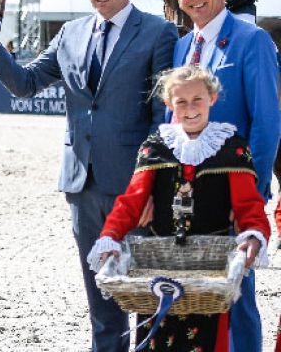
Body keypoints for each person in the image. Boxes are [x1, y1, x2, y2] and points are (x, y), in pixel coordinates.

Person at [0, 0, 177, 351]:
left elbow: (162, 117)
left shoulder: (158, 32)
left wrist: (152, 185)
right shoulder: (70, 33)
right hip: (81, 186)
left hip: (134, 189)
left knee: (142, 296)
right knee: (101, 298)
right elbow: (26, 83)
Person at [87, 66, 270, 352]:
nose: (190, 108)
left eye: (197, 99)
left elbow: (249, 205)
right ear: (169, 104)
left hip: (211, 270)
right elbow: (132, 201)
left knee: (208, 341)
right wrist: (110, 236)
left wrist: (254, 234)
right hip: (158, 264)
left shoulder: (232, 148)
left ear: (212, 98)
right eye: (181, 101)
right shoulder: (155, 147)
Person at [171, 0, 280, 351]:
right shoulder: (182, 46)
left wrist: (252, 194)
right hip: (185, 194)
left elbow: (267, 123)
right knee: (195, 297)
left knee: (237, 298)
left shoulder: (253, 40)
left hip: (234, 192)